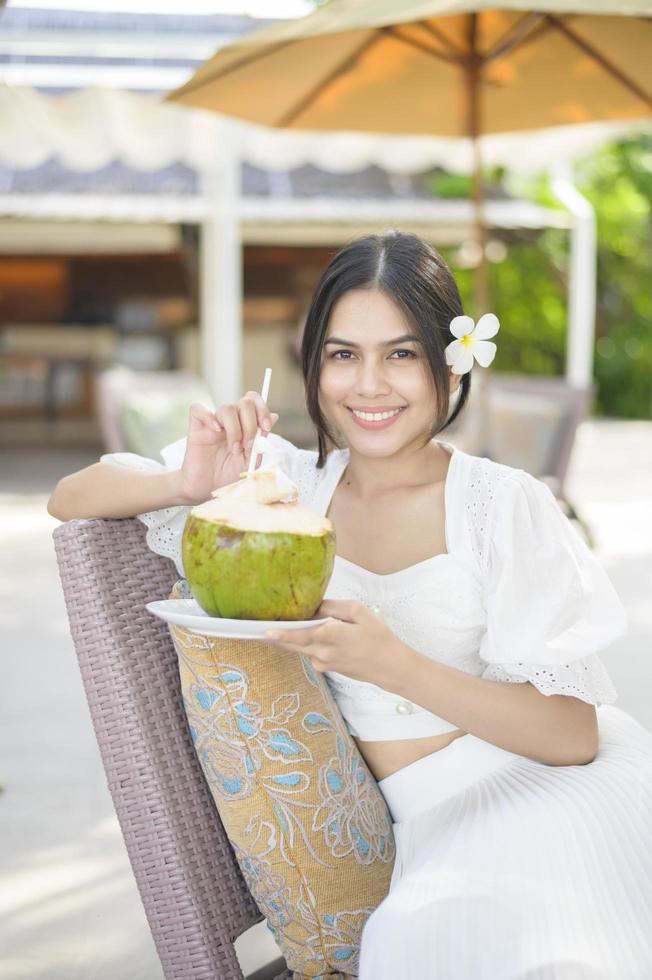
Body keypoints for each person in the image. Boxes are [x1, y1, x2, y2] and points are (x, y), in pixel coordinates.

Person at [48, 231, 652, 979]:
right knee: (420, 937)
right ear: (313, 365)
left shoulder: (500, 503)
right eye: (342, 355)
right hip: (428, 822)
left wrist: (394, 665)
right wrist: (187, 483)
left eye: (400, 354)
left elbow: (572, 733)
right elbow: (70, 500)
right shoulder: (277, 486)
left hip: (540, 794)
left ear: (449, 362)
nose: (369, 385)